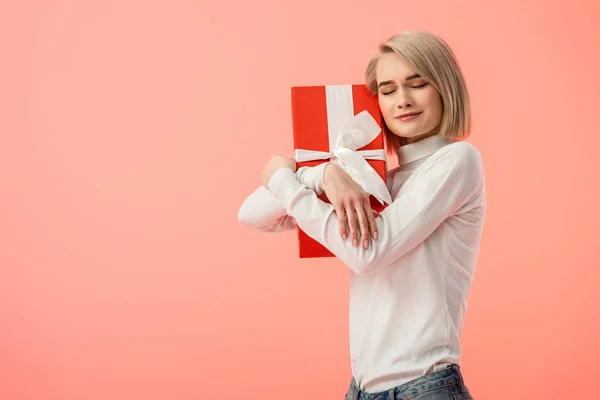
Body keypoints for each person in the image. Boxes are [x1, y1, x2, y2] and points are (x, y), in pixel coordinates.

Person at [238, 30, 485, 400]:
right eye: (387, 90)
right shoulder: (373, 180)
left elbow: (368, 253)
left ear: (445, 88)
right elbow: (251, 214)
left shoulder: (456, 161)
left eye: (417, 84)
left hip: (424, 386)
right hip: (363, 389)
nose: (402, 100)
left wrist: (285, 180)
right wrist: (322, 173)